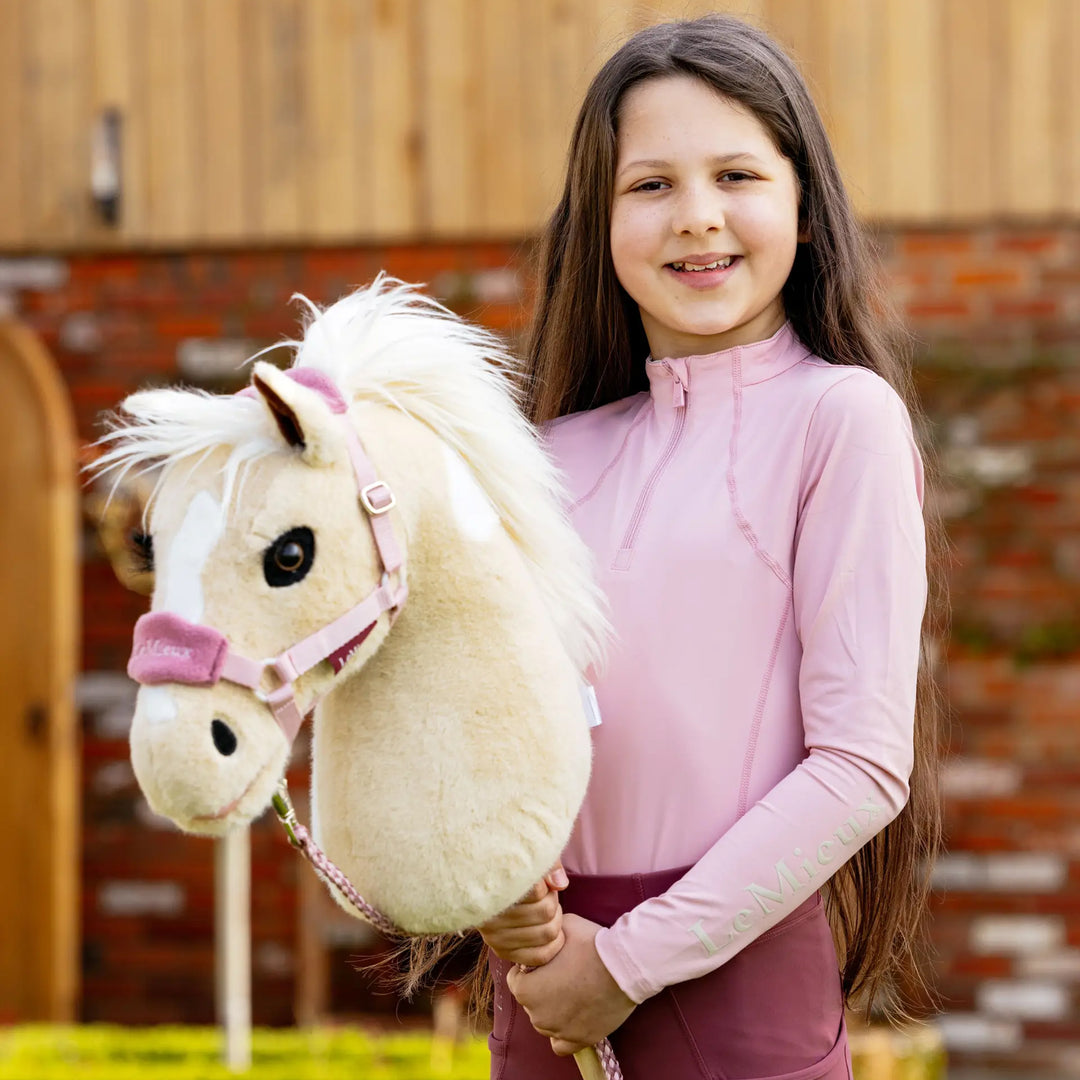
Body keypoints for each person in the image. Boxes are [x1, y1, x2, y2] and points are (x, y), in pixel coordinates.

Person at [477, 14, 945, 1080]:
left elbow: (861, 765)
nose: (697, 215)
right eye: (650, 185)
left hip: (732, 985)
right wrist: (501, 885)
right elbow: (493, 723)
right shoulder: (544, 456)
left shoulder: (841, 420)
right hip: (545, 980)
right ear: (599, 223)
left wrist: (628, 963)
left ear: (804, 210)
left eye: (736, 175)